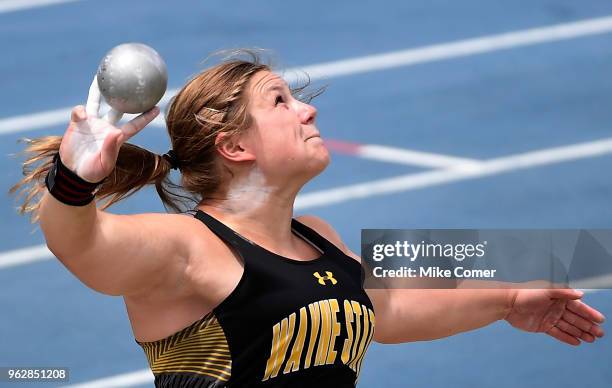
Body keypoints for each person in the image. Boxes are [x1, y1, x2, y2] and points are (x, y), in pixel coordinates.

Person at [11, 50, 605, 388]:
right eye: (281, 102)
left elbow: (388, 311)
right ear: (234, 147)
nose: (308, 109)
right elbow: (81, 248)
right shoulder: (186, 248)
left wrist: (506, 301)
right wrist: (76, 179)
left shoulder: (318, 236)